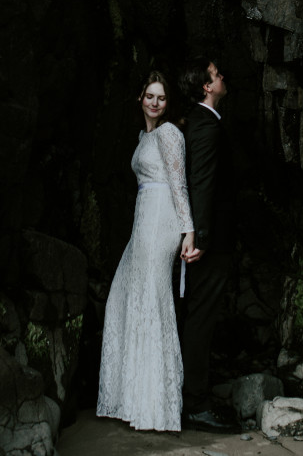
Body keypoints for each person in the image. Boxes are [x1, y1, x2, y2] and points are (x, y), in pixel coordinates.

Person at [96, 71, 198, 431]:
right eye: (149, 96)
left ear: (168, 104)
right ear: (140, 97)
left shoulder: (170, 134)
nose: (155, 103)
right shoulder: (144, 137)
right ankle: (132, 399)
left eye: (162, 98)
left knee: (152, 302)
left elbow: (178, 183)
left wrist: (188, 231)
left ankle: (157, 407)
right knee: (123, 299)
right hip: (142, 222)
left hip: (162, 221)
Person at [178, 58, 236, 432]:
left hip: (206, 240)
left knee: (196, 317)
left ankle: (193, 397)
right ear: (206, 87)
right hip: (208, 245)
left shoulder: (200, 123)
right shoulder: (206, 128)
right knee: (199, 320)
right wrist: (200, 237)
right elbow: (201, 181)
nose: (223, 76)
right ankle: (195, 404)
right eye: (217, 74)